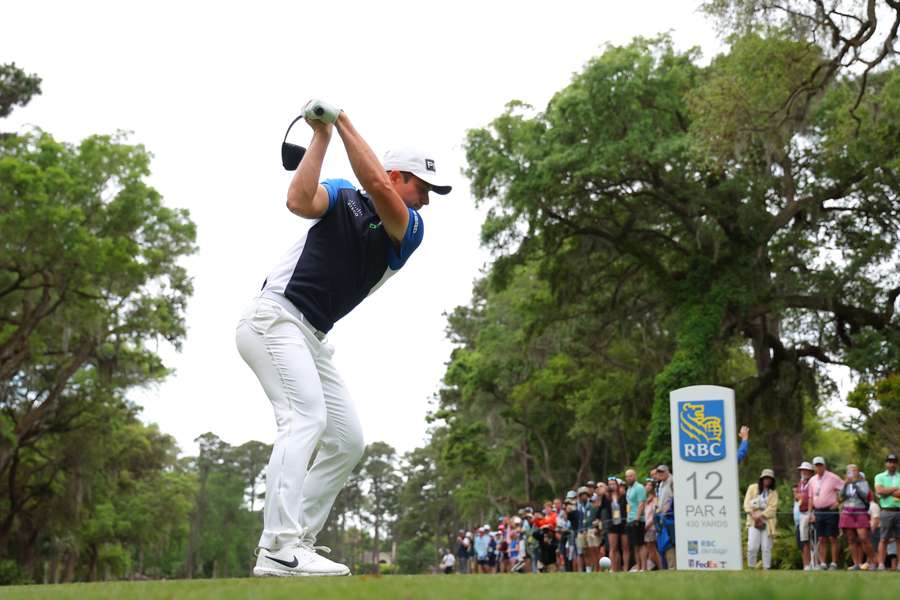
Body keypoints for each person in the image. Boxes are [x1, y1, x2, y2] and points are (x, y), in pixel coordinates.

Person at [240, 100, 451, 577]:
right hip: (274, 319)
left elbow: (375, 185)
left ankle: (299, 542)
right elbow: (298, 200)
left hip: (309, 337)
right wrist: (322, 136)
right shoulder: (340, 195)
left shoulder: (409, 229)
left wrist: (342, 120)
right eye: (423, 186)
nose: (427, 199)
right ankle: (278, 547)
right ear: (400, 175)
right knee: (305, 419)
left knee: (347, 439)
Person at [807, 456, 844, 570]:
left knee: (832, 537)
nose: (818, 467)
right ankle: (823, 563)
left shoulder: (832, 477)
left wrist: (838, 502)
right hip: (818, 511)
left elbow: (846, 489)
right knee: (821, 538)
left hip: (830, 511)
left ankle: (833, 563)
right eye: (816, 465)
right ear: (814, 467)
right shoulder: (812, 480)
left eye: (820, 465)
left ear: (824, 466)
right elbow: (810, 498)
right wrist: (810, 513)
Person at [840, 464, 876, 570]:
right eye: (850, 471)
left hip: (860, 511)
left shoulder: (863, 483)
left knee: (863, 537)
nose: (853, 472)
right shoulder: (846, 484)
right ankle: (856, 563)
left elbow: (865, 495)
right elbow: (841, 496)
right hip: (848, 512)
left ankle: (872, 561)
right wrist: (846, 484)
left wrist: (854, 484)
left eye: (855, 470)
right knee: (851, 539)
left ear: (858, 472)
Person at [744, 469, 778, 569]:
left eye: (769, 478)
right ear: (761, 479)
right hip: (753, 520)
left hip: (767, 522)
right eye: (765, 478)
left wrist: (761, 515)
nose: (767, 480)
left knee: (766, 547)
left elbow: (773, 508)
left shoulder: (773, 493)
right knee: (752, 546)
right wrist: (752, 514)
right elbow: (746, 503)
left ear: (772, 480)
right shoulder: (752, 488)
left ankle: (766, 568)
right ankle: (751, 567)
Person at [874, 452, 900, 571]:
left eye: (894, 462)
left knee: (899, 539)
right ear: (886, 464)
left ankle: (899, 565)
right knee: (883, 539)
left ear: (896, 464)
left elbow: (886, 491)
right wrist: (894, 490)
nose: (892, 464)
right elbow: (879, 491)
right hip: (886, 511)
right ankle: (881, 564)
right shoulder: (879, 476)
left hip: (899, 511)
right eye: (890, 462)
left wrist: (887, 490)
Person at [624, 469, 646, 571]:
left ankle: (644, 568)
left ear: (635, 476)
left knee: (641, 544)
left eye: (630, 476)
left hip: (638, 519)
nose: (628, 478)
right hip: (630, 519)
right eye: (627, 476)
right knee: (634, 546)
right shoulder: (629, 489)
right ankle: (638, 567)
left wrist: (637, 518)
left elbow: (641, 503)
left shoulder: (639, 487)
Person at [794, 462, 815, 570]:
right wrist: (800, 496)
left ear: (811, 472)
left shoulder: (813, 482)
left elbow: (811, 497)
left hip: (811, 513)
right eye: (802, 470)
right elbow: (797, 496)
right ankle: (806, 565)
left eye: (806, 470)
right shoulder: (800, 483)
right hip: (801, 514)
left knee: (811, 540)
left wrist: (802, 496)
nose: (803, 472)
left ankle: (814, 564)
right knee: (803, 540)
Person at [655, 465, 676, 569]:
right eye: (659, 472)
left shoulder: (672, 481)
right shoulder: (661, 483)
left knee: (669, 542)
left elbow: (672, 499)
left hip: (670, 517)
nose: (660, 474)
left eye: (662, 472)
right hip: (662, 516)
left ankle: (672, 567)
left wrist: (667, 509)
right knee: (664, 543)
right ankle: (667, 567)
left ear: (667, 472)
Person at [605, 477, 627, 571]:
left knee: (624, 547)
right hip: (612, 524)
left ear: (617, 485)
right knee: (613, 548)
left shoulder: (623, 495)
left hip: (623, 523)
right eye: (610, 484)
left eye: (613, 484)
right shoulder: (606, 497)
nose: (612, 486)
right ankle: (614, 569)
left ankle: (625, 569)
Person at [642, 478, 661, 571]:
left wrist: (648, 524)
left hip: (651, 527)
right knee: (650, 549)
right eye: (646, 485)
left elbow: (655, 513)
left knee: (652, 549)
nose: (647, 487)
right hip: (645, 526)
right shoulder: (645, 499)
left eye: (650, 485)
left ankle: (661, 567)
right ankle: (656, 567)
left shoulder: (655, 499)